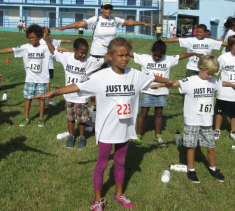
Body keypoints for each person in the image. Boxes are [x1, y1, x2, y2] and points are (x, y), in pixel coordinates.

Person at [33, 37, 172, 210]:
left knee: (120, 161)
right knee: (103, 164)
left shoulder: (135, 75)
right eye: (120, 55)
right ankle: (97, 200)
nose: (125, 58)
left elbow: (154, 77)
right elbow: (77, 86)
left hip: (125, 129)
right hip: (107, 129)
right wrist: (55, 92)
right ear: (110, 56)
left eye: (127, 55)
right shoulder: (100, 77)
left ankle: (119, 194)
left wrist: (172, 82)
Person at [53, 1, 154, 112]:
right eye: (106, 8)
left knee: (112, 79)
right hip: (96, 55)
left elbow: (128, 22)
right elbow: (80, 24)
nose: (108, 10)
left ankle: (110, 102)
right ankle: (92, 104)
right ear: (101, 9)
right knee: (92, 79)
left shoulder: (114, 20)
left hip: (111, 56)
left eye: (110, 8)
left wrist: (142, 24)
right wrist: (64, 27)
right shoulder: (96, 20)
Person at [167, 55, 235, 183]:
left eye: (213, 73)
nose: (211, 76)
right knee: (192, 147)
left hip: (207, 122)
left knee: (211, 146)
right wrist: (158, 85)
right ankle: (191, 170)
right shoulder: (190, 81)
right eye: (209, 73)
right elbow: (175, 83)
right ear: (200, 68)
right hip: (192, 121)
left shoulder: (212, 81)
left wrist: (232, 85)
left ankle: (213, 168)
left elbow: (221, 83)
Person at [44, 27, 108, 149]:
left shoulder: (90, 60)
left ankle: (82, 137)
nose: (84, 55)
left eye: (85, 52)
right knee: (70, 117)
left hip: (82, 97)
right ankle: (71, 136)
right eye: (81, 53)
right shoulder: (66, 57)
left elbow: (105, 59)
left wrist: (112, 51)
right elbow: (53, 50)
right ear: (74, 50)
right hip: (68, 96)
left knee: (82, 119)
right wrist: (47, 39)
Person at [130, 40, 203, 146]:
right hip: (147, 91)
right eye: (154, 55)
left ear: (163, 54)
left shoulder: (168, 59)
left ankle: (158, 135)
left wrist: (194, 53)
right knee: (143, 114)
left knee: (159, 114)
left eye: (159, 56)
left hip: (161, 92)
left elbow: (181, 56)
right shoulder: (144, 58)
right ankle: (138, 136)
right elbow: (130, 53)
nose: (156, 58)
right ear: (152, 52)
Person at [0, 24, 50, 127]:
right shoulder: (25, 48)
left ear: (39, 37)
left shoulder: (45, 48)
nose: (31, 39)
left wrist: (72, 51)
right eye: (29, 37)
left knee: (41, 99)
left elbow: (57, 48)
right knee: (28, 98)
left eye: (33, 37)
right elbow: (12, 49)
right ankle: (26, 118)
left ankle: (41, 118)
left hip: (42, 78)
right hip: (30, 78)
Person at [162, 24, 227, 77]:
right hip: (192, 67)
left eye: (201, 32)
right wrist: (162, 40)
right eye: (197, 32)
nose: (198, 33)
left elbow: (223, 44)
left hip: (205, 68)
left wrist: (233, 45)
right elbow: (177, 39)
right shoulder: (191, 40)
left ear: (205, 32)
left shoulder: (210, 42)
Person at [40, 27, 72, 104]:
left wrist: (68, 44)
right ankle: (42, 95)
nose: (48, 35)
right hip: (41, 64)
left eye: (49, 34)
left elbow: (59, 43)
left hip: (50, 64)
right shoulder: (39, 41)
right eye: (45, 33)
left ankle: (46, 95)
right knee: (41, 80)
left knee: (47, 80)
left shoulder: (52, 41)